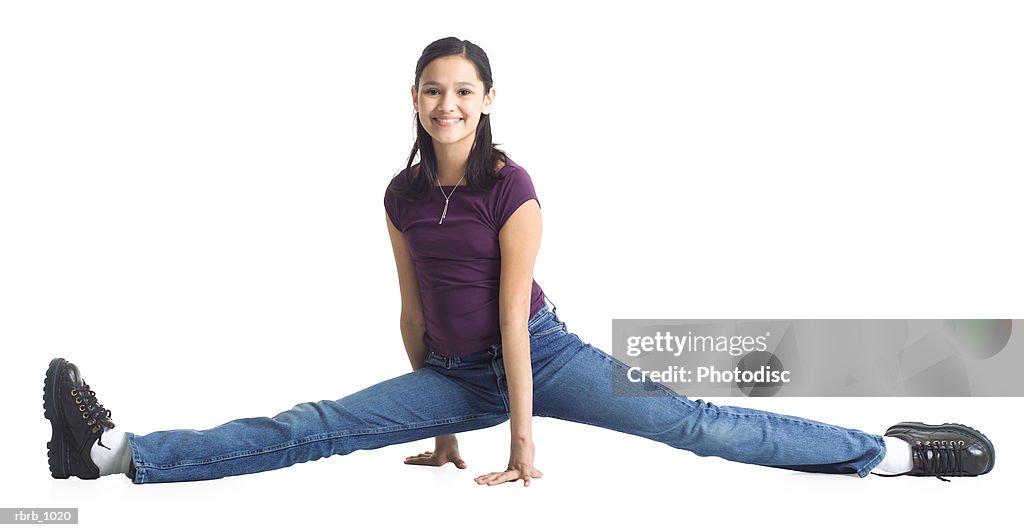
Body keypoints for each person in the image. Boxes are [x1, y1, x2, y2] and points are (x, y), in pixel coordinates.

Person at [43, 37, 995, 486]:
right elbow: (414, 312)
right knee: (320, 423)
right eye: (431, 90)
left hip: (543, 354)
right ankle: (112, 453)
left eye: (462, 90)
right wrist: (448, 426)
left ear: (487, 97)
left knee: (696, 424)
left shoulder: (514, 184)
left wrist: (523, 445)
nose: (445, 104)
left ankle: (900, 454)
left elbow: (507, 319)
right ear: (413, 100)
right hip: (454, 374)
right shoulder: (402, 194)